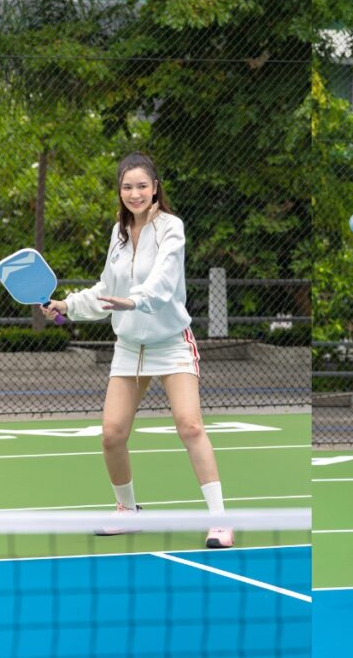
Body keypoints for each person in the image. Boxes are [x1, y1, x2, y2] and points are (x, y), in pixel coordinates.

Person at [42, 152, 232, 548]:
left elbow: (163, 281)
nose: (135, 193)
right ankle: (127, 512)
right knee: (111, 434)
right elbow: (105, 290)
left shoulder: (171, 228)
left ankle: (219, 521)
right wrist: (67, 305)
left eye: (142, 185)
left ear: (155, 187)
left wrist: (135, 300)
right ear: (120, 191)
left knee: (190, 425)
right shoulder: (119, 233)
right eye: (127, 186)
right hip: (129, 346)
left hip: (170, 342)